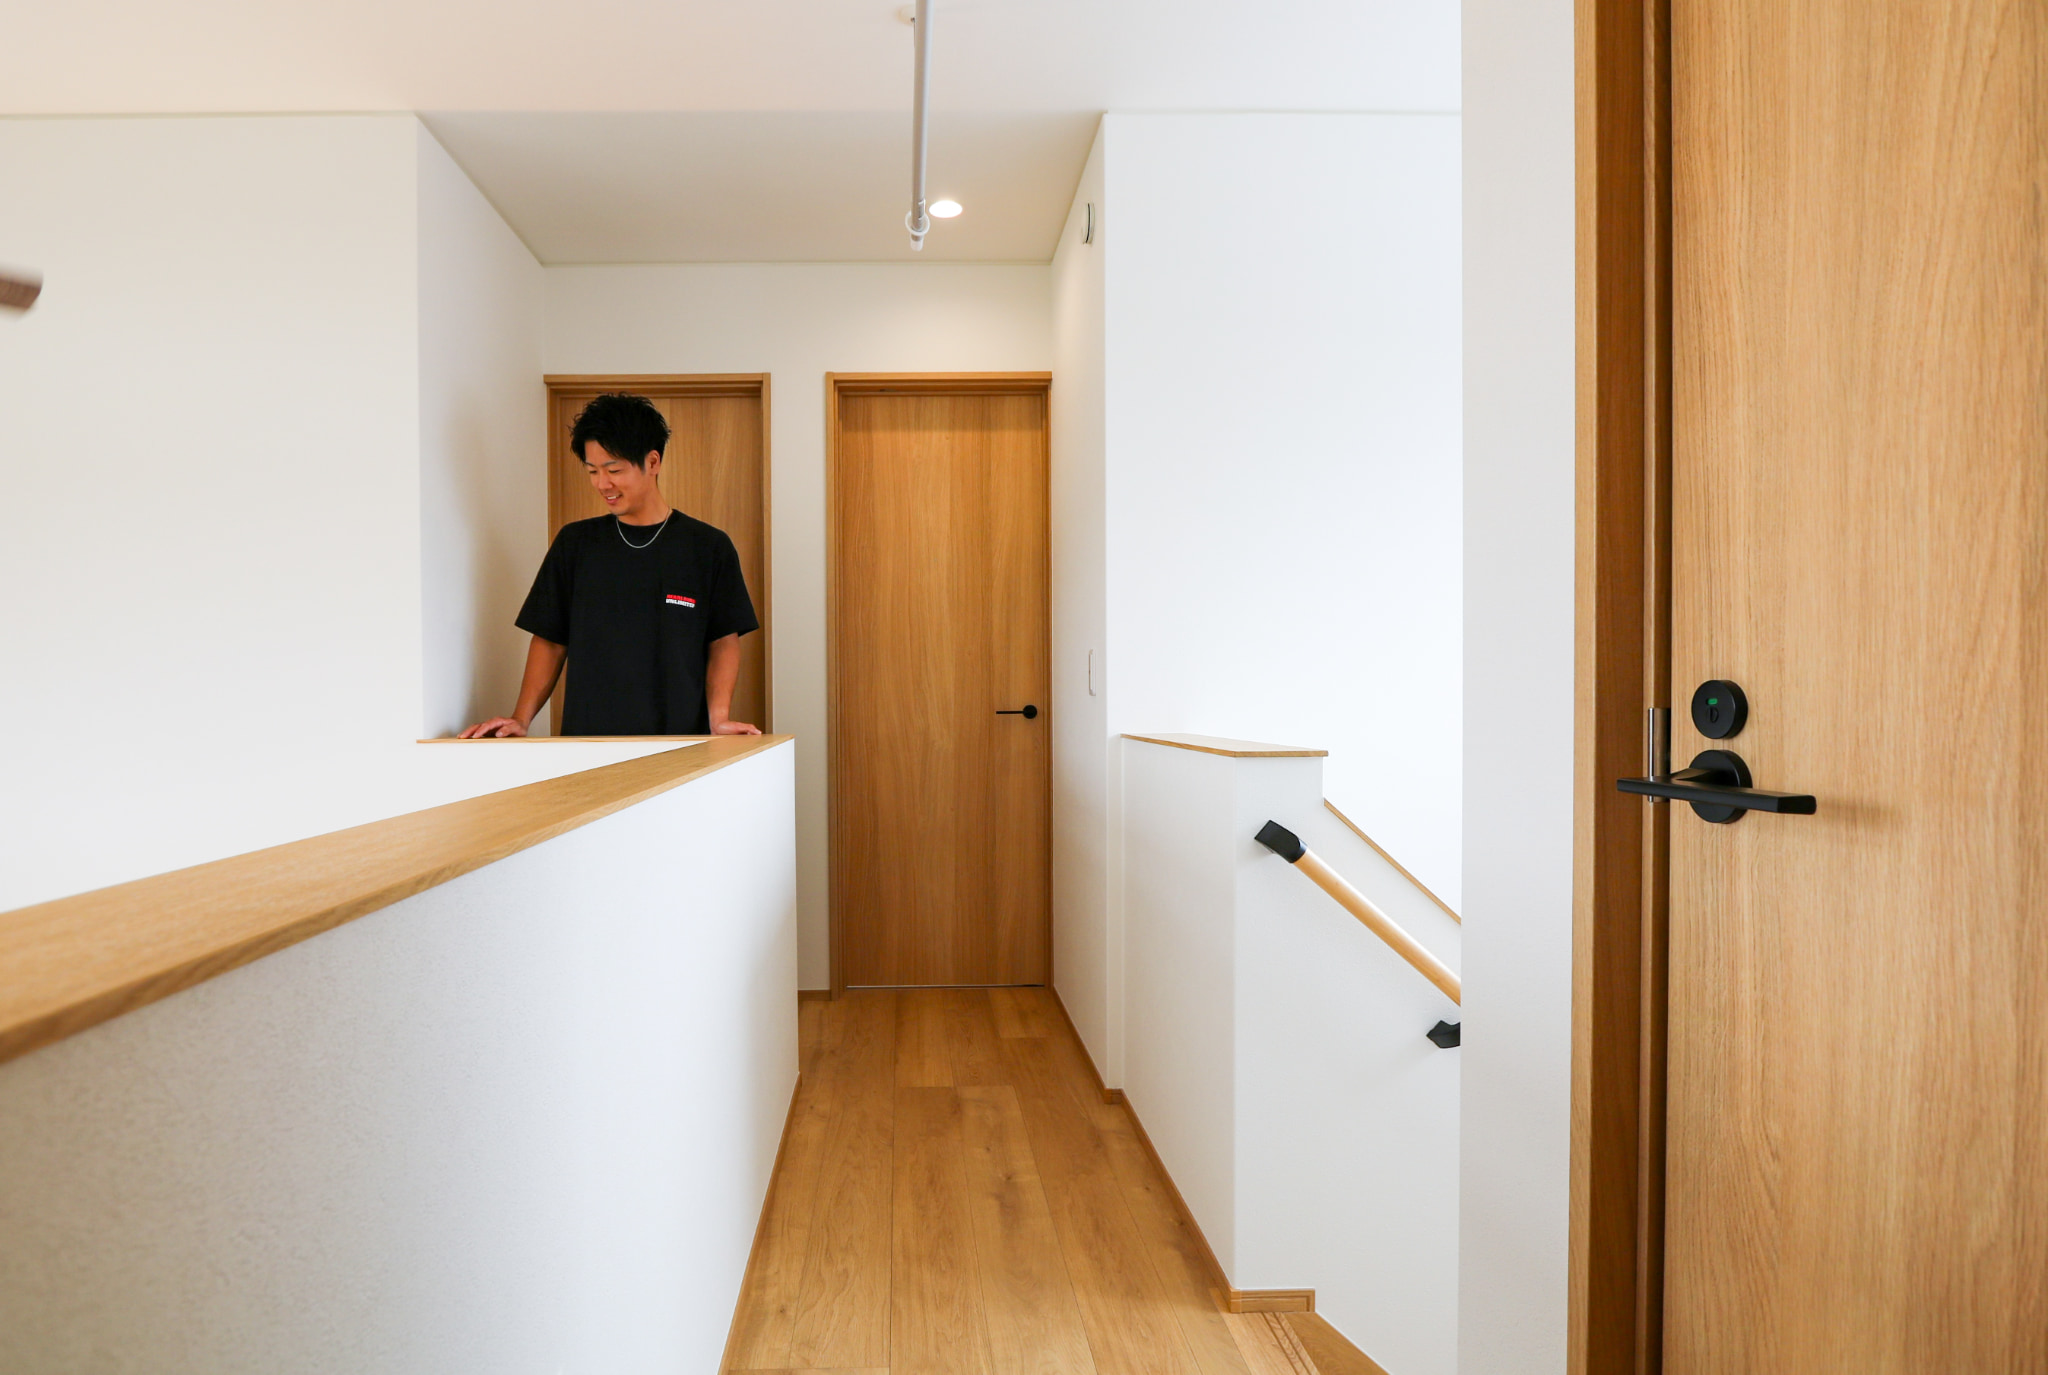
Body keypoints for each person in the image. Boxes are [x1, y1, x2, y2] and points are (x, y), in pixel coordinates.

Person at [460, 393, 762, 739]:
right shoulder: (575, 544)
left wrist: (719, 719)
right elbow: (550, 640)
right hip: (589, 746)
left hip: (682, 745)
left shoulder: (708, 547)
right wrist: (521, 718)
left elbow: (723, 640)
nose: (602, 484)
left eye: (614, 470)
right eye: (593, 471)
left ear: (652, 462)